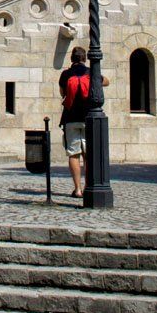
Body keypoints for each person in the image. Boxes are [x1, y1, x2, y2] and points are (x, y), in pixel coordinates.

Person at [58, 45, 110, 198]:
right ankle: (89, 186)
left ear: (71, 59)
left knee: (74, 154)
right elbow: (106, 82)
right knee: (88, 154)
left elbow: (63, 93)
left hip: (70, 118)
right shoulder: (90, 72)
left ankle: (77, 189)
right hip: (89, 118)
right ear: (84, 58)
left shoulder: (66, 74)